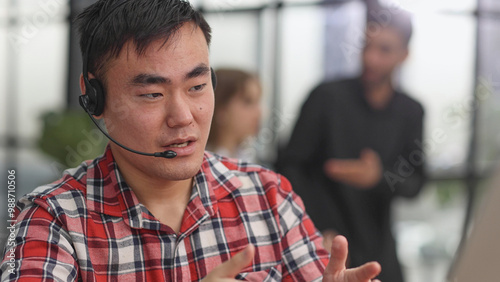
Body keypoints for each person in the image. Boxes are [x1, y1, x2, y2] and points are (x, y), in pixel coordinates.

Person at [0, 0, 382, 281]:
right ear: (93, 99)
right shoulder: (52, 220)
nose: (183, 116)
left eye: (197, 86)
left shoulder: (267, 195)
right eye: (152, 94)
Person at [278, 7, 425, 282]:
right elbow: (289, 166)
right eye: (366, 46)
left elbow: (415, 183)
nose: (371, 58)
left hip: (379, 248)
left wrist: (378, 178)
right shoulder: (326, 97)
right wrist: (318, 225)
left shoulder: (411, 111)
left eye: (384, 49)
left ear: (404, 55)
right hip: (322, 244)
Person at [206, 68, 262, 162]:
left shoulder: (246, 157)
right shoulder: (206, 165)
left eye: (258, 102)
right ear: (221, 109)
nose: (259, 112)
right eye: (248, 102)